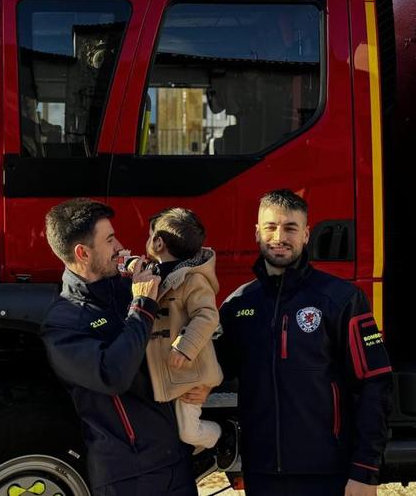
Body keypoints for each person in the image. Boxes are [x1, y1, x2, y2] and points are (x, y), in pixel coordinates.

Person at [217, 189, 393, 496]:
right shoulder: (237, 305)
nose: (279, 237)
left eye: (290, 228)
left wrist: (366, 470)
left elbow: (374, 385)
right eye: (270, 227)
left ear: (306, 234)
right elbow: (211, 372)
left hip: (328, 472)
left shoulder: (341, 299)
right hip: (262, 472)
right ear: (257, 232)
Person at [41, 198, 207, 496]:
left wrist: (197, 384)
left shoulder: (128, 287)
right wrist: (142, 307)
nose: (119, 245)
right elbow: (113, 374)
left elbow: (179, 340)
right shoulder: (63, 323)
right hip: (127, 477)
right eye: (109, 239)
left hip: (175, 463)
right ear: (82, 253)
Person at [133, 208, 237, 469]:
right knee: (172, 432)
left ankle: (225, 434)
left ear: (158, 242)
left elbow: (207, 316)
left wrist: (184, 347)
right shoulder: (153, 272)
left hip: (190, 372)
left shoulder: (193, 280)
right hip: (169, 373)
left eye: (149, 236)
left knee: (188, 432)